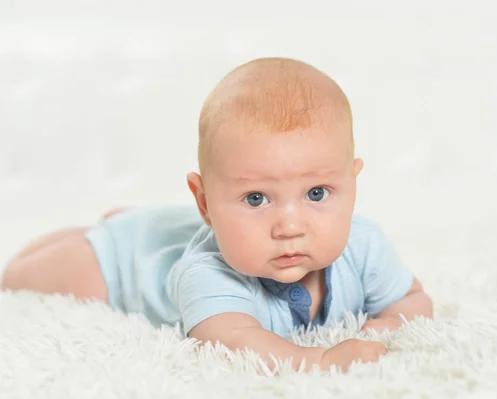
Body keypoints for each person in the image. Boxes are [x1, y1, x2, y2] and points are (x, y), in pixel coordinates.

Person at [1, 57, 433, 372]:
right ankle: (113, 230)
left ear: (352, 185)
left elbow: (413, 298)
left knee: (160, 231)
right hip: (124, 261)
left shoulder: (364, 245)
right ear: (204, 202)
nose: (289, 226)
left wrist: (386, 324)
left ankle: (139, 220)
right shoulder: (208, 273)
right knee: (20, 277)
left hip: (171, 231)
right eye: (257, 199)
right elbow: (233, 343)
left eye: (316, 193)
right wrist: (318, 360)